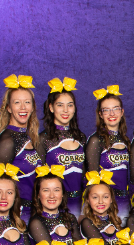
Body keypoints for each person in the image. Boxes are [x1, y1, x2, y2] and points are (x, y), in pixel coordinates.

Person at [0, 74, 42, 223]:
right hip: (18, 213)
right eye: (17, 102)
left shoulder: (26, 136)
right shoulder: (8, 140)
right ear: (8, 108)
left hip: (33, 210)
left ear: (32, 107)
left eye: (27, 102)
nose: (23, 107)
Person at [38, 77, 86, 218]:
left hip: (80, 203)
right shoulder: (44, 138)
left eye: (70, 105)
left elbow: (86, 174)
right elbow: (39, 179)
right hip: (55, 204)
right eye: (60, 105)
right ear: (51, 108)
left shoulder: (81, 137)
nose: (65, 110)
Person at [85, 85, 131, 223]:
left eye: (115, 109)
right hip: (105, 203)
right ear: (100, 114)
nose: (112, 114)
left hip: (125, 200)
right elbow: (92, 180)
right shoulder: (96, 140)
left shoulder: (125, 140)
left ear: (122, 112)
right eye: (106, 110)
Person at [28, 165, 82, 245]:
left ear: (62, 194)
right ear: (38, 195)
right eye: (46, 190)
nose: (52, 195)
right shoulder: (36, 222)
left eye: (56, 190)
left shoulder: (70, 218)